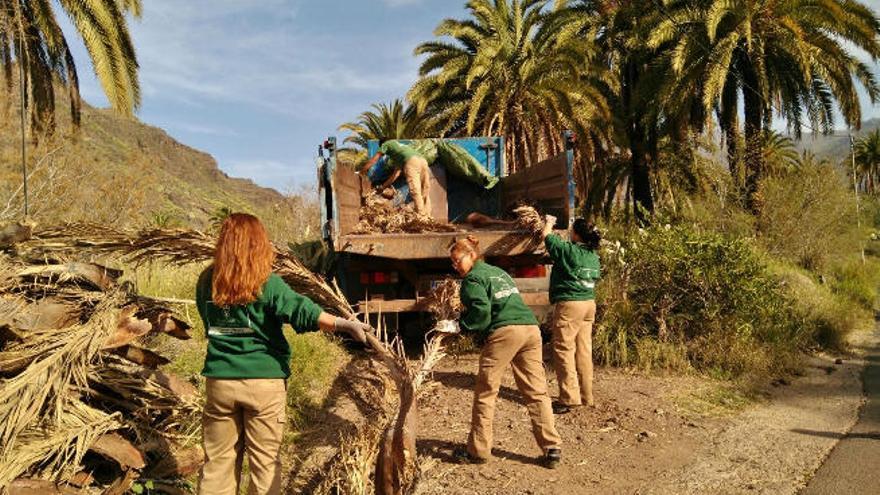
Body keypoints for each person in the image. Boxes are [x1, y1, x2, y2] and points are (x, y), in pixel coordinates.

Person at [195, 213, 371, 495]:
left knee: (217, 465)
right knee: (264, 467)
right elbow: (302, 311)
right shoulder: (265, 281)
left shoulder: (207, 280)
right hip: (263, 385)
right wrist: (343, 324)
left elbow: (208, 323)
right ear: (257, 243)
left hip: (219, 383)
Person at [449, 235, 563, 469]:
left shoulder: (472, 279)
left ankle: (478, 451)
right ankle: (552, 448)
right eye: (452, 262)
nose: (455, 266)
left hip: (505, 333)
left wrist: (460, 326)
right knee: (537, 391)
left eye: (457, 260)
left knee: (486, 390)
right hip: (530, 330)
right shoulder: (498, 272)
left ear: (472, 255)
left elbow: (481, 312)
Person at [541, 216, 602, 414]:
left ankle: (568, 398)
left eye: (571, 230)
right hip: (589, 304)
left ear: (576, 234)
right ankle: (586, 396)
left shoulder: (569, 251)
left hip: (570, 305)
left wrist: (549, 222)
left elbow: (547, 237)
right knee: (584, 350)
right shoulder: (593, 256)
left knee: (564, 349)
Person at [360, 139, 432, 216]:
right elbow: (395, 175)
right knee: (424, 189)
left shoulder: (386, 144)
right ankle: (428, 215)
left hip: (411, 162)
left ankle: (421, 216)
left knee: (415, 190)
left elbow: (374, 159)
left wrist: (362, 171)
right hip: (422, 161)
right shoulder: (400, 151)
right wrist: (382, 187)